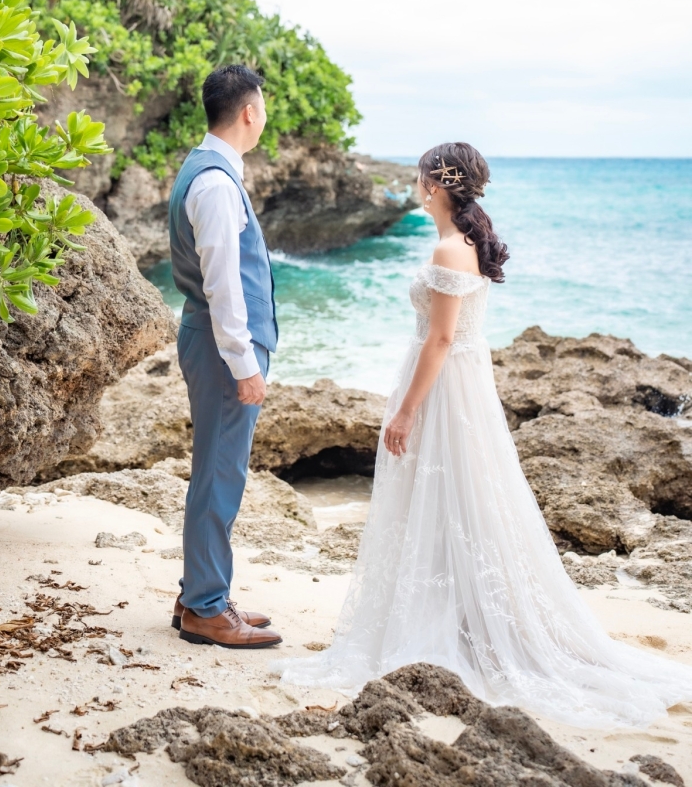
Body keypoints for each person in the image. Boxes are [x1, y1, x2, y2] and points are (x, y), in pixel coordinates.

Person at [278, 141, 692, 727]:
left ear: (434, 185)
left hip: (445, 389)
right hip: (462, 385)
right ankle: (460, 617)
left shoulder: (450, 249)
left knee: (450, 499)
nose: (417, 187)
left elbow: (441, 340)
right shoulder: (467, 242)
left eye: (421, 178)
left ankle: (456, 627)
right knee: (457, 502)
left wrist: (404, 412)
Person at [168, 64, 282, 649]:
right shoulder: (215, 183)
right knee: (219, 472)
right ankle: (207, 609)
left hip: (210, 339)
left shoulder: (208, 170)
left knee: (215, 467)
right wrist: (245, 364)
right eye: (262, 106)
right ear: (247, 112)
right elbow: (223, 286)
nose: (264, 116)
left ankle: (199, 594)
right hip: (219, 346)